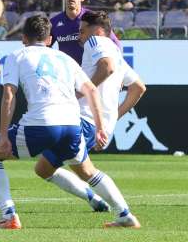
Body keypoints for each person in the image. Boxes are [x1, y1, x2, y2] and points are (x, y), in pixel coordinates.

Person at [0, 15, 140, 229]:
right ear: (49, 39)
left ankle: (8, 215)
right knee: (85, 171)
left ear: (23, 38)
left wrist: (2, 135)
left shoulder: (16, 55)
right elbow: (91, 90)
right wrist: (102, 128)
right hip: (72, 125)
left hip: (41, 122)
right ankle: (125, 214)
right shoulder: (66, 59)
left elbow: (9, 94)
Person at [35, 11, 147, 215]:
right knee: (44, 169)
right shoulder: (117, 53)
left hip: (83, 119)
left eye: (82, 31)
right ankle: (98, 201)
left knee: (83, 170)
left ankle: (123, 213)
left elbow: (107, 67)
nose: (79, 36)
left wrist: (83, 91)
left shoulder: (95, 41)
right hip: (94, 122)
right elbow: (139, 87)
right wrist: (112, 120)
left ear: (96, 30)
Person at [50, 0, 120, 65]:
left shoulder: (94, 18)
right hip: (69, 74)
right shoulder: (54, 22)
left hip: (90, 73)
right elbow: (43, 47)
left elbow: (115, 44)